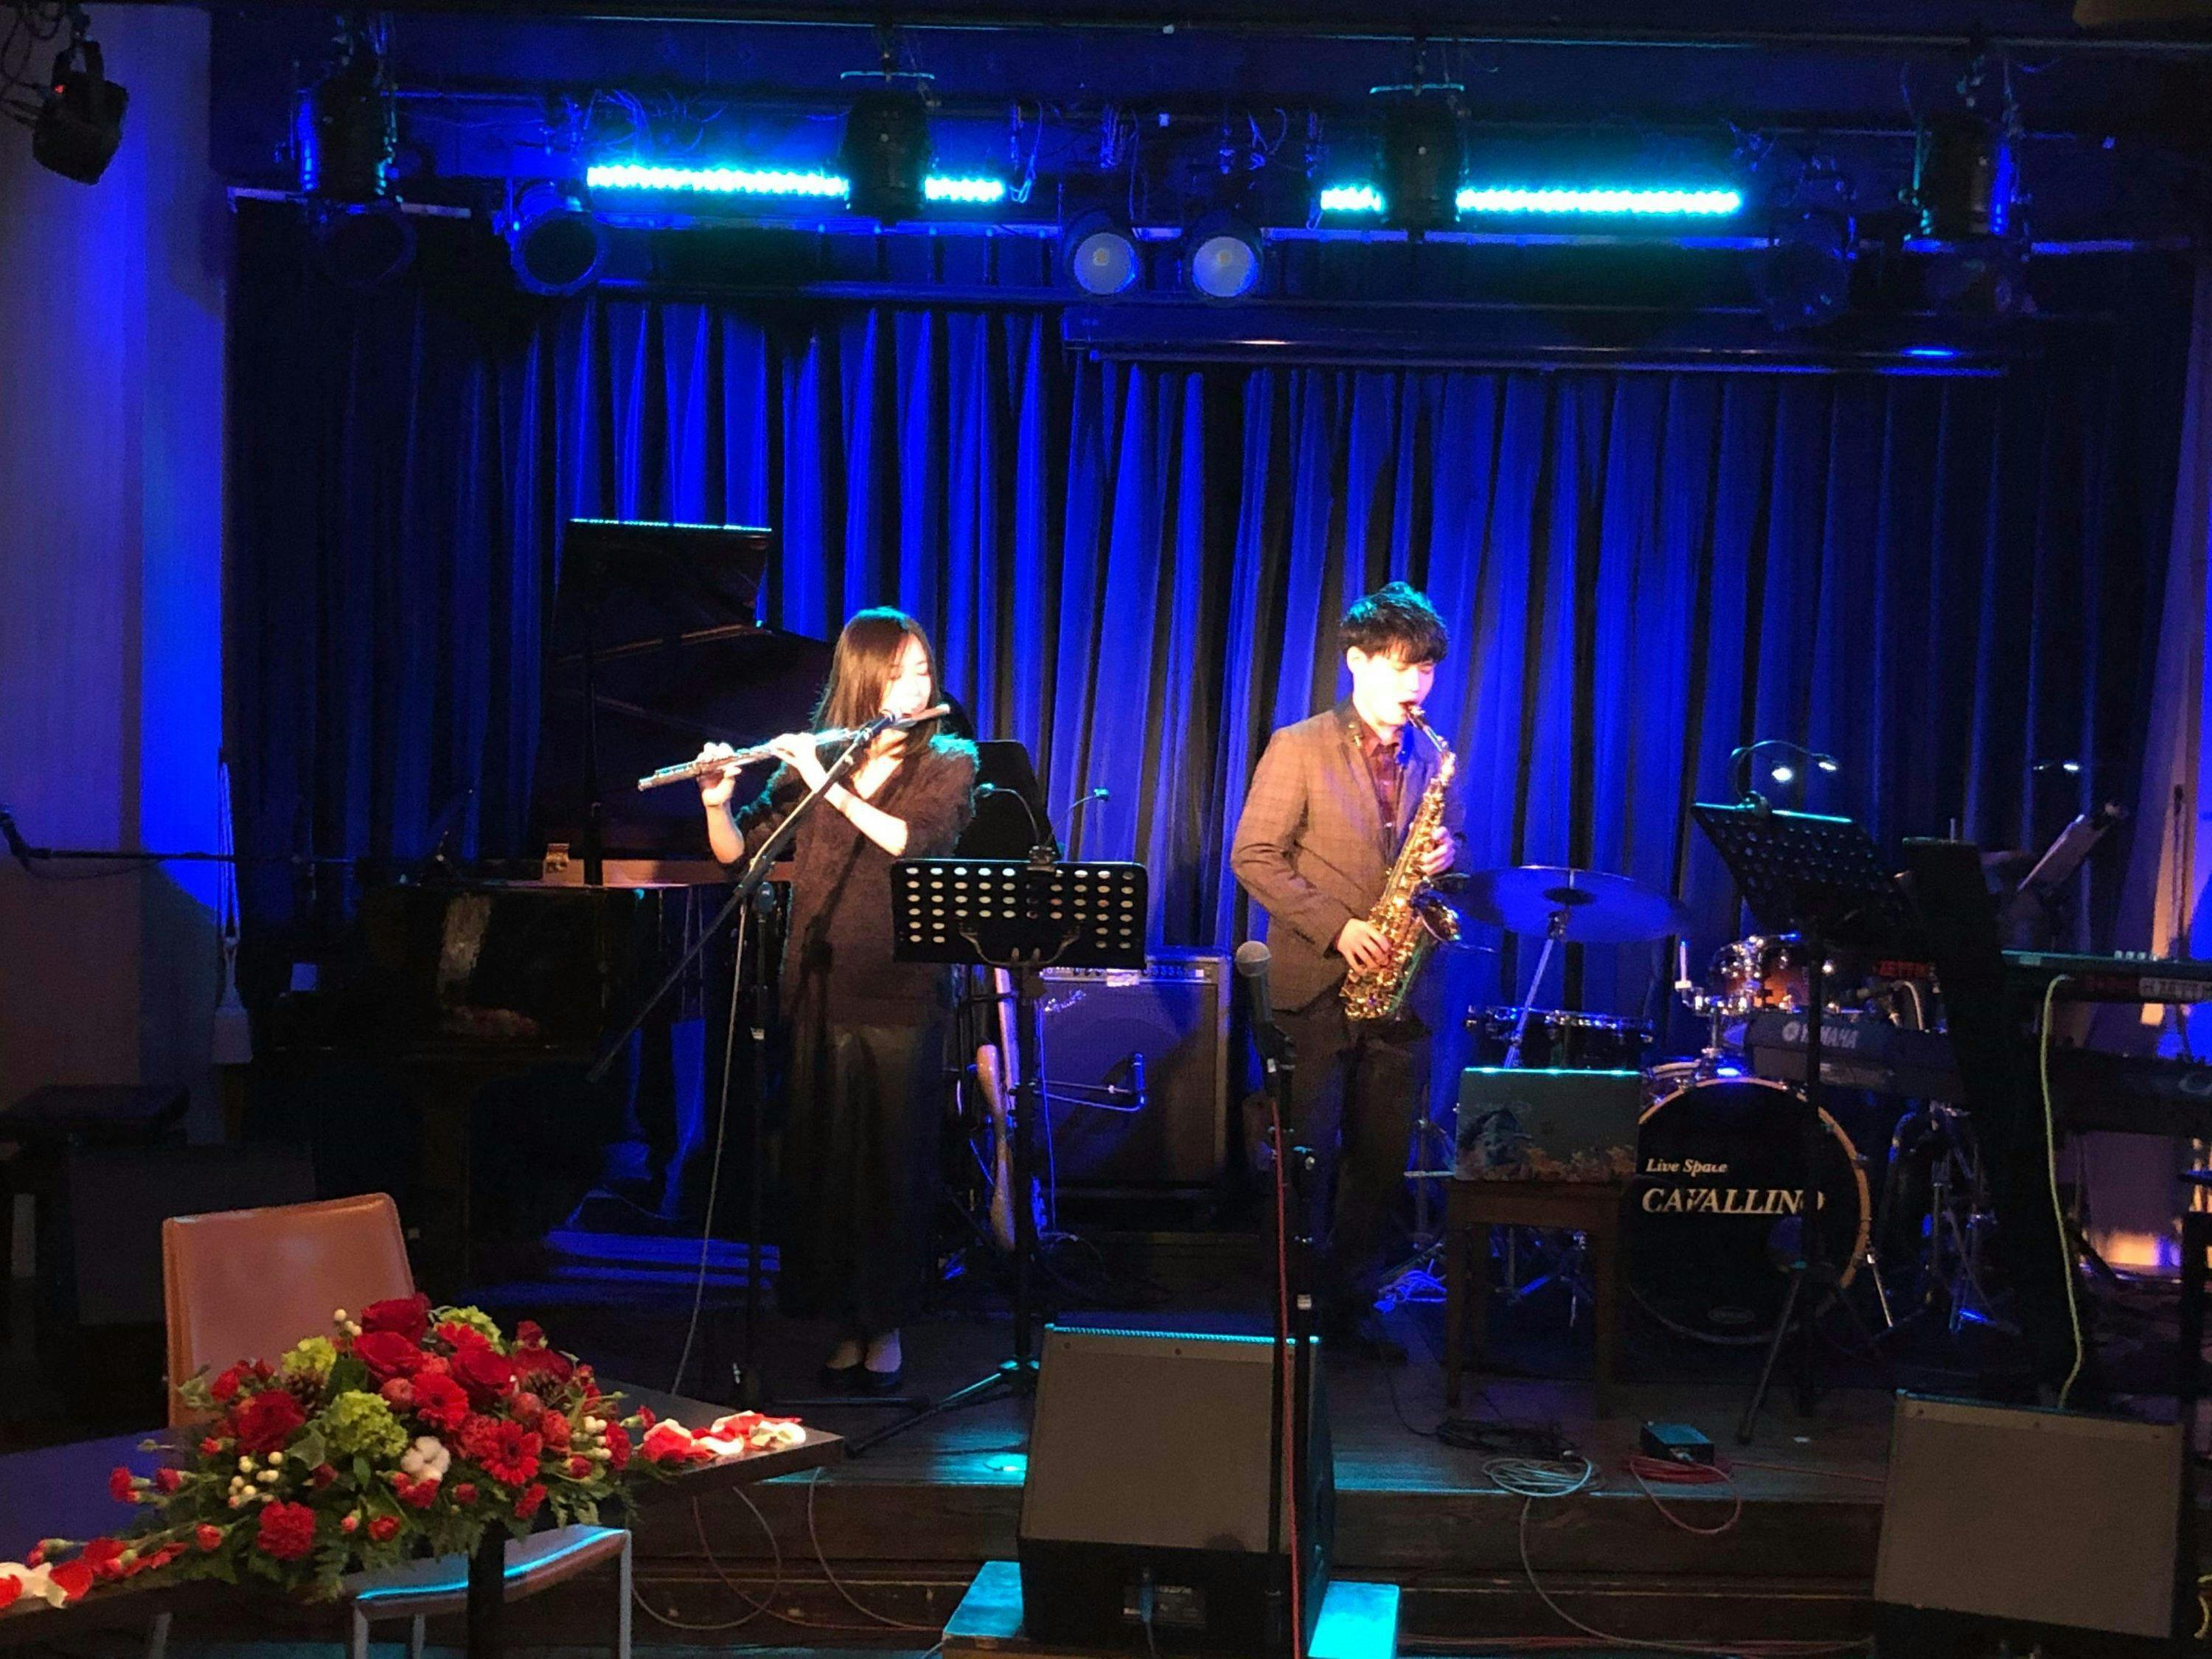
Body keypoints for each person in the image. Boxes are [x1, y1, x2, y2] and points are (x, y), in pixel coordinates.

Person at [696, 608, 977, 1393]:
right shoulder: (822, 757)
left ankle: (886, 1326)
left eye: (923, 671)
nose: (916, 687)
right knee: (826, 1168)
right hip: (817, 988)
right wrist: (717, 801)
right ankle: (843, 1323)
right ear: (863, 680)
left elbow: (911, 842)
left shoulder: (949, 760)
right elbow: (740, 855)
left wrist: (830, 785)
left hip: (901, 991)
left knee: (890, 1167)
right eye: (899, 674)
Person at [1229, 582, 1464, 1363]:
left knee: (1380, 1161)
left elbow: (1445, 847)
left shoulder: (1430, 756)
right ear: (1357, 662)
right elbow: (1253, 856)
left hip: (1401, 993)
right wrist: (1339, 926)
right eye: (1399, 666)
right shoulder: (1298, 745)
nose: (1414, 684)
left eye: (1425, 669)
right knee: (1307, 1158)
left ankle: (1350, 1305)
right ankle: (1292, 1306)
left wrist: (1449, 854)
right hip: (1316, 984)